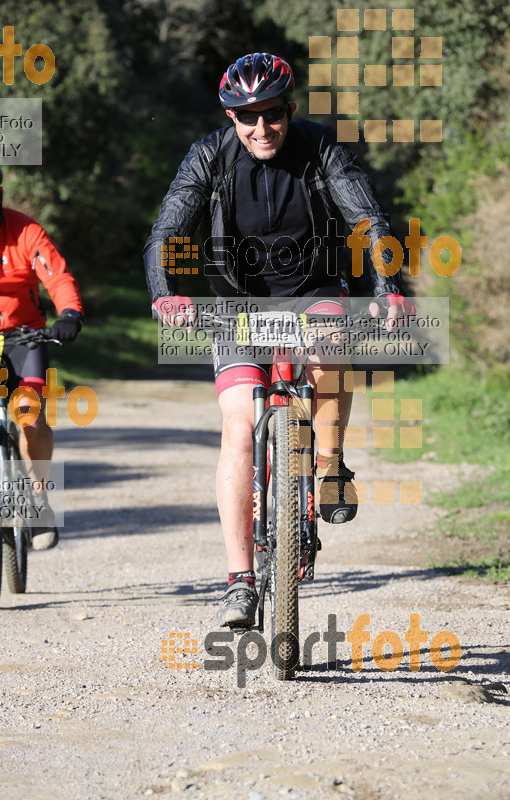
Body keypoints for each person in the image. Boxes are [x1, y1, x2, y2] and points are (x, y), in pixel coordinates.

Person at [144, 53, 409, 629]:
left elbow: (369, 219)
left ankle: (331, 464)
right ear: (231, 117)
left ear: (289, 110)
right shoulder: (209, 157)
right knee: (239, 425)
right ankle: (239, 581)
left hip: (315, 289)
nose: (260, 129)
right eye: (246, 117)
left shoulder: (321, 148)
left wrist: (388, 285)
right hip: (239, 303)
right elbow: (167, 231)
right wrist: (167, 294)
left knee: (331, 339)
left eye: (271, 115)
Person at [0, 155, 83, 550]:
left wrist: (69, 312)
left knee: (31, 418)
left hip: (26, 337)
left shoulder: (26, 232)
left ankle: (38, 497)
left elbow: (57, 277)